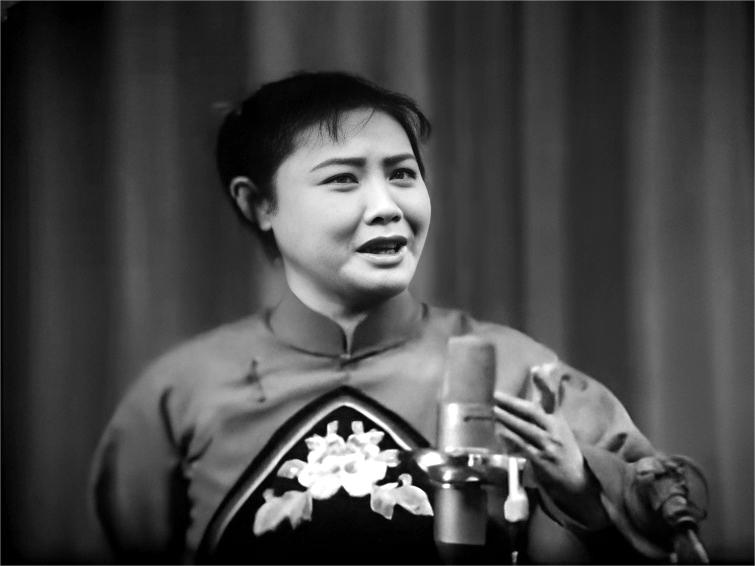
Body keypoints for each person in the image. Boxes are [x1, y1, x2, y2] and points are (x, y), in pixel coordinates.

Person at [89, 71, 707, 565]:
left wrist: (584, 493)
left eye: (403, 174)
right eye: (342, 180)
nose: (387, 207)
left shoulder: (520, 374)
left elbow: (663, 533)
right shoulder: (179, 395)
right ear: (258, 205)